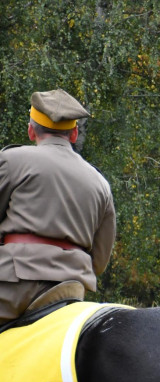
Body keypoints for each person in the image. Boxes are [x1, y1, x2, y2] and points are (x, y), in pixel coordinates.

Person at [0, 89, 117, 325]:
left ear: (31, 130)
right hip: (71, 291)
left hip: (12, 284)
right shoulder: (100, 183)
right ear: (74, 134)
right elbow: (99, 261)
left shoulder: (11, 161)